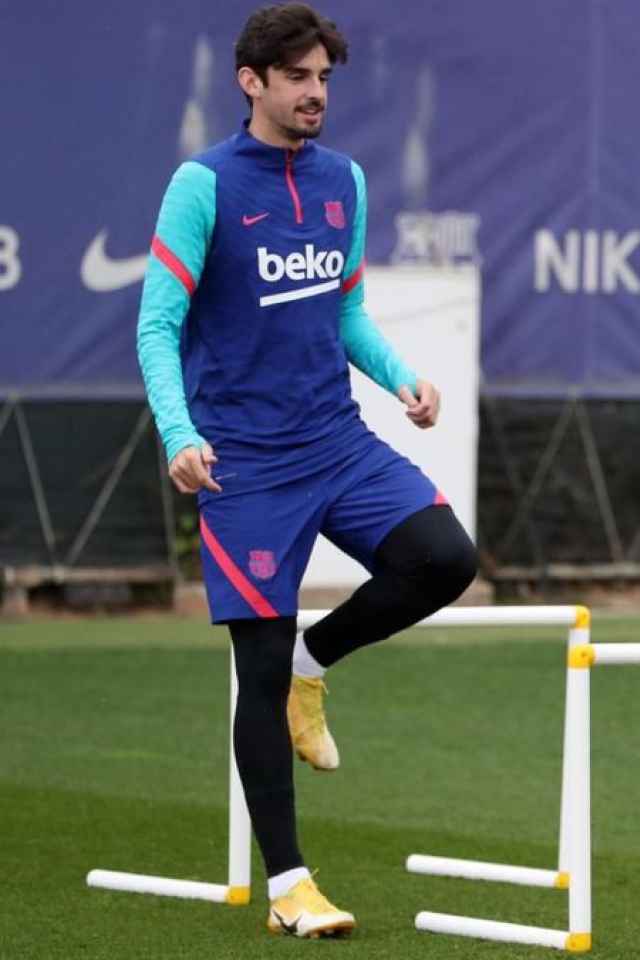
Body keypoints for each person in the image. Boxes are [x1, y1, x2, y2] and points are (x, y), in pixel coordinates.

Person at [135, 3, 476, 939]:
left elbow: (345, 314)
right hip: (242, 463)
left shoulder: (345, 181)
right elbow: (157, 326)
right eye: (298, 77)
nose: (316, 92)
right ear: (252, 81)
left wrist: (402, 376)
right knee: (252, 663)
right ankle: (290, 883)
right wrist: (178, 433)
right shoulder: (202, 185)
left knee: (445, 557)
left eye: (324, 77)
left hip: (336, 440)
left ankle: (311, 663)